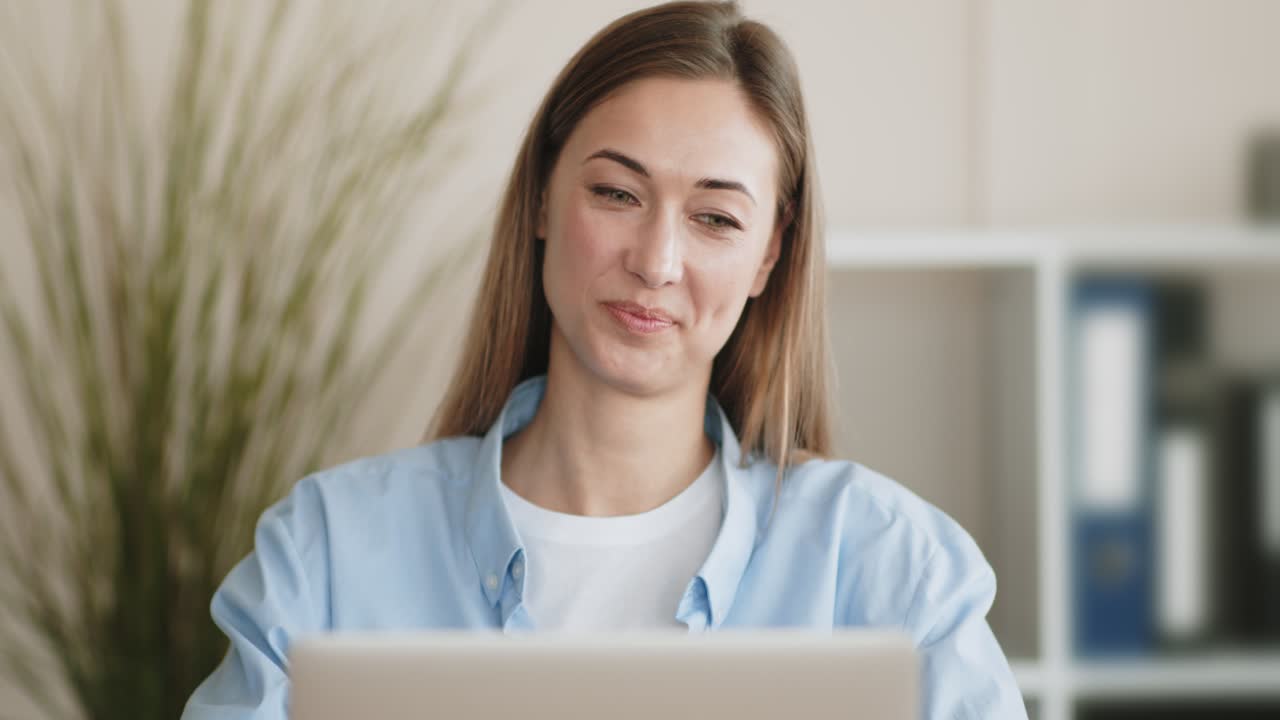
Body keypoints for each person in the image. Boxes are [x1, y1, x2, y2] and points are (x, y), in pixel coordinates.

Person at [182, 2, 1027, 718]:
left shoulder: (890, 569)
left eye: (716, 219)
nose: (657, 262)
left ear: (770, 254)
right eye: (617, 194)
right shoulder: (325, 555)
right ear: (542, 199)